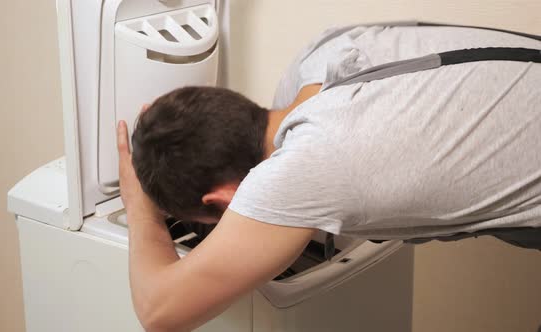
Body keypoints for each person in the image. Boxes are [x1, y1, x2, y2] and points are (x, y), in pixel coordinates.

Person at [116, 24, 541, 331]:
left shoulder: (309, 166)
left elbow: (159, 311)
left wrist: (141, 207)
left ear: (224, 199)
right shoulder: (325, 52)